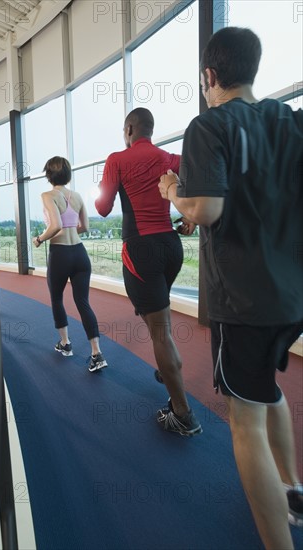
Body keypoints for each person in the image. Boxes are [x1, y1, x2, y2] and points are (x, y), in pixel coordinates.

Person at [158, 26, 303, 549]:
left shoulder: (208, 125)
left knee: (244, 418)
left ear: (210, 76)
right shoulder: (291, 120)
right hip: (292, 298)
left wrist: (175, 190)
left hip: (244, 300)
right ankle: (294, 489)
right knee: (267, 389)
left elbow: (204, 209)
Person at [95, 107, 202, 436]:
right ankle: (167, 366)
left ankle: (183, 414)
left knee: (160, 333)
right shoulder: (170, 158)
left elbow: (102, 207)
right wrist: (191, 217)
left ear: (129, 129)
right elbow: (200, 181)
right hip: (172, 248)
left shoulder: (117, 159)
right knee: (161, 320)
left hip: (140, 251)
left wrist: (110, 182)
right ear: (150, 131)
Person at [33, 156, 108, 372]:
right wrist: (70, 232)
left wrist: (39, 239)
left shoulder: (47, 195)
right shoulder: (77, 196)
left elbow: (55, 225)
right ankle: (97, 353)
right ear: (68, 174)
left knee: (57, 299)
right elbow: (85, 226)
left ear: (49, 175)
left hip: (60, 255)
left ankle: (65, 345)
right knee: (83, 302)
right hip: (79, 254)